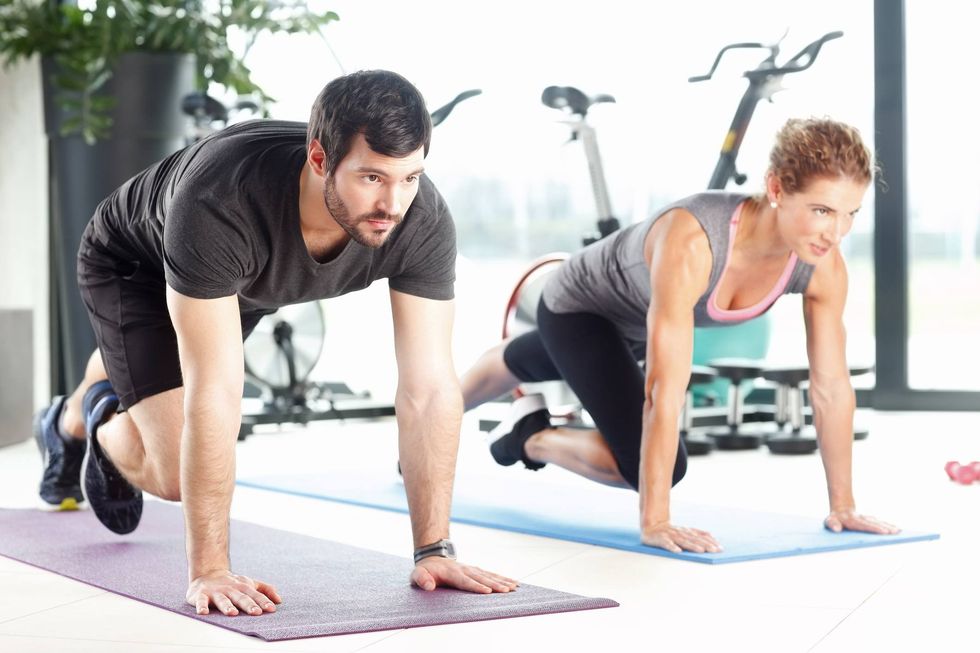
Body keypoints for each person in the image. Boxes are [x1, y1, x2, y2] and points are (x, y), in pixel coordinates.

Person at [34, 70, 517, 617]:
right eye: (372, 177)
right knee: (173, 475)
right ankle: (97, 418)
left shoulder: (420, 219)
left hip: (238, 282)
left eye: (409, 178)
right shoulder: (221, 201)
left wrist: (434, 549)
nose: (393, 203)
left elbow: (429, 389)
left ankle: (111, 382)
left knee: (167, 376)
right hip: (133, 266)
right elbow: (216, 394)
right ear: (319, 159)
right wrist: (210, 569)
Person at [460, 117, 899, 554]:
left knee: (537, 360)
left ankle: (524, 433)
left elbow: (830, 388)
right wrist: (656, 521)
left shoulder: (823, 264)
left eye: (851, 213)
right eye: (822, 210)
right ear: (777, 188)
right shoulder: (694, 240)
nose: (836, 233)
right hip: (579, 309)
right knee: (661, 469)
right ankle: (461, 422)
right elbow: (663, 393)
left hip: (635, 327)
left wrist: (844, 506)